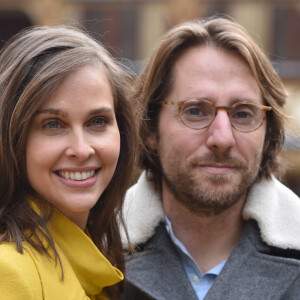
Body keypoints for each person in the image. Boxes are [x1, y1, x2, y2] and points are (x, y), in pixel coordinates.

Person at [121, 16, 300, 300]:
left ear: (268, 136)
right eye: (195, 111)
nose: (222, 139)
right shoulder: (93, 251)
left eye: (243, 114)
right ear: (150, 129)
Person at [0, 25, 137, 299]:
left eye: (98, 122)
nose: (81, 149)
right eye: (53, 124)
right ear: (12, 137)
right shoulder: (10, 271)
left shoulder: (96, 266)